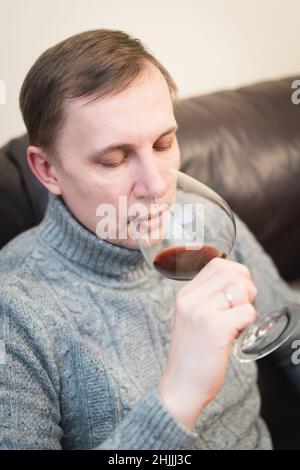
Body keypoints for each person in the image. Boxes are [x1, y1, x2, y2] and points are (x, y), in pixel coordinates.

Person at [0, 29, 299, 450]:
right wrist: (177, 398)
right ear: (48, 170)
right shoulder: (14, 310)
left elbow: (289, 333)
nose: (157, 186)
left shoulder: (206, 225)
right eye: (114, 159)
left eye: (164, 143)